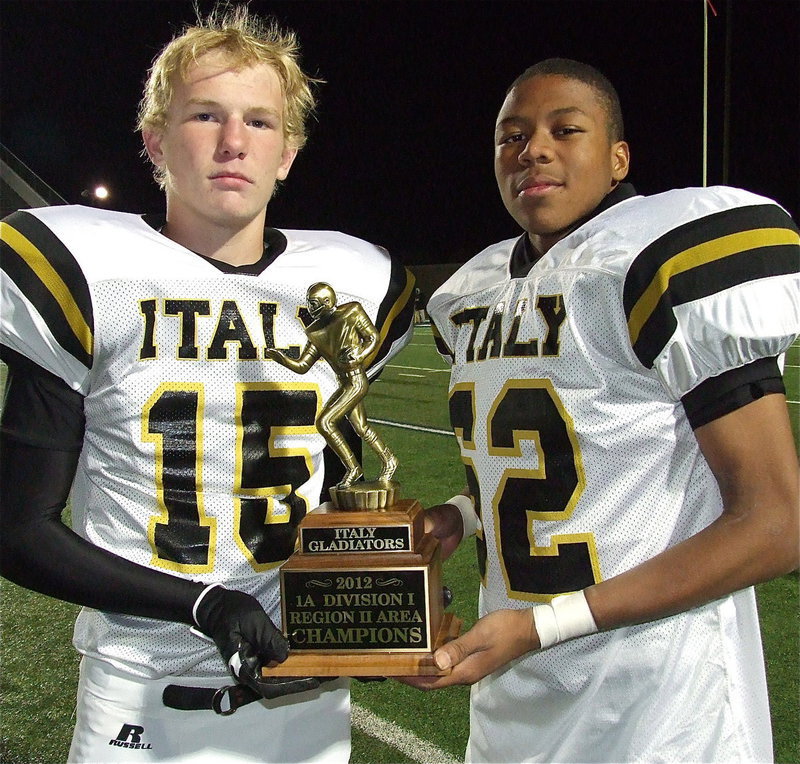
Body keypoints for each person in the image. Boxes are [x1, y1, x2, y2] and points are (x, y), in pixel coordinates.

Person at [0, 5, 414, 763]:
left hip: (305, 704)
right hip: (143, 704)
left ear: (288, 152)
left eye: (260, 122)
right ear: (155, 141)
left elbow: (339, 484)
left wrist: (381, 589)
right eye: (205, 115)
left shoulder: (349, 281)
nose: (233, 143)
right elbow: (16, 528)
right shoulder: (95, 272)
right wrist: (200, 604)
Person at [406, 58, 800, 762]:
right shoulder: (475, 294)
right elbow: (557, 463)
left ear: (618, 157)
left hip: (655, 702)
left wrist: (538, 628)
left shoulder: (654, 255)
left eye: (567, 129)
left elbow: (775, 522)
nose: (534, 149)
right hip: (515, 696)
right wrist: (458, 517)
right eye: (512, 135)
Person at [266, 282, 398, 488]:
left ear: (327, 302)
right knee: (361, 427)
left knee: (325, 423)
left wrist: (360, 354)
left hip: (355, 379)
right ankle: (388, 460)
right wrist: (281, 358)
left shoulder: (352, 311)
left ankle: (353, 467)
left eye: (313, 303)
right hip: (345, 382)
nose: (310, 308)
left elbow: (373, 337)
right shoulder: (315, 331)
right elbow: (302, 365)